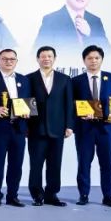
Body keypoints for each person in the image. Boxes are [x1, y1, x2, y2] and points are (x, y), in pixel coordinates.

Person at [72, 45, 111, 208]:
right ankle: (83, 195)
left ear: (102, 59)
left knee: (107, 163)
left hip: (107, 128)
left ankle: (108, 196)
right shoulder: (76, 81)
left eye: (96, 58)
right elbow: (71, 103)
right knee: (83, 163)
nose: (93, 61)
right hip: (84, 128)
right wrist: (79, 114)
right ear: (84, 60)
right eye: (89, 58)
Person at [0, 48, 32, 207]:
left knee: (16, 164)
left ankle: (13, 196)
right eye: (5, 59)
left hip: (19, 128)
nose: (8, 62)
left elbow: (29, 101)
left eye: (12, 59)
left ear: (16, 61)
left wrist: (28, 112)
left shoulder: (24, 80)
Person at [26, 45, 74, 206]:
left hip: (58, 129)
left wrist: (69, 125)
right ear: (37, 59)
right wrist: (26, 126)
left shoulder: (64, 79)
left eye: (49, 56)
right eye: (43, 56)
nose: (46, 59)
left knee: (55, 164)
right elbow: (26, 103)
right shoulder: (29, 78)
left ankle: (51, 195)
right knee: (36, 165)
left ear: (54, 59)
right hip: (35, 129)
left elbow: (69, 104)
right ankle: (37, 195)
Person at [33, 0, 111, 62]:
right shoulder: (51, 20)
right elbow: (37, 53)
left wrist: (90, 34)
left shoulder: (95, 21)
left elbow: (108, 52)